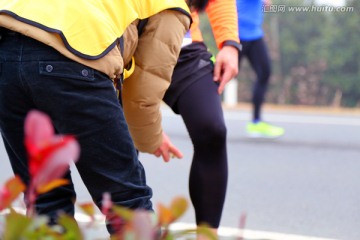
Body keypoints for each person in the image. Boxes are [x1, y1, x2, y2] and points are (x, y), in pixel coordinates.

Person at [0, 0, 212, 234]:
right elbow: (142, 97)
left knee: (46, 198)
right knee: (128, 203)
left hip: (6, 57)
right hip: (73, 62)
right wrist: (151, 139)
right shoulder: (171, 5)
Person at [161, 0, 241, 238]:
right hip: (124, 43)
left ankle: (206, 235)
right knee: (122, 139)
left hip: (183, 42)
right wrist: (147, 128)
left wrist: (230, 43)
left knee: (212, 130)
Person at [236, 0, 285, 138]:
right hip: (238, 34)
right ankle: (196, 108)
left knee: (265, 73)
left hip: (254, 34)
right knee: (223, 75)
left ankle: (256, 122)